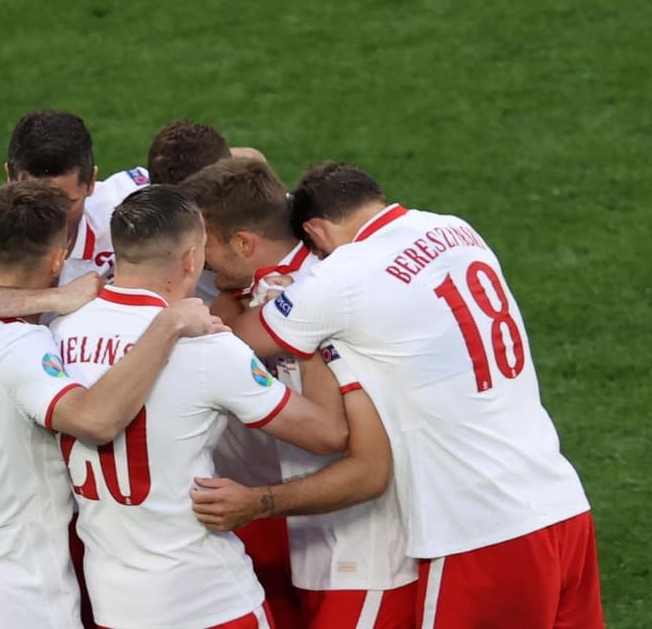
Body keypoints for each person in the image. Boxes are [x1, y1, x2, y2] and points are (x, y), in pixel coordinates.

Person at [254, 162, 603, 629]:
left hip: (481, 530)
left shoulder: (344, 275)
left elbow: (246, 339)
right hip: (563, 506)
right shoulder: (456, 229)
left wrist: (254, 293)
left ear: (316, 230)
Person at [0, 179, 220, 629]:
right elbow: (96, 420)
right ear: (59, 260)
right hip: (24, 606)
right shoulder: (20, 350)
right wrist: (168, 325)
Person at [50, 185, 349, 629]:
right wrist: (304, 333)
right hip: (207, 601)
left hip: (116, 605)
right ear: (191, 259)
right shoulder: (206, 348)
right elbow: (328, 433)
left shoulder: (58, 333)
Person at [182, 158, 416, 629]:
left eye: (204, 245)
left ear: (244, 242)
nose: (198, 259)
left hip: (367, 558)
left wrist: (258, 502)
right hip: (310, 548)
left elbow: (362, 460)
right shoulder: (259, 291)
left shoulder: (326, 300)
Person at [0, 110, 148, 331]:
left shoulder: (127, 201)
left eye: (65, 203)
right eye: (35, 201)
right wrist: (56, 298)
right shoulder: (1, 236)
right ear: (10, 180)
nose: (50, 219)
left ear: (92, 182)